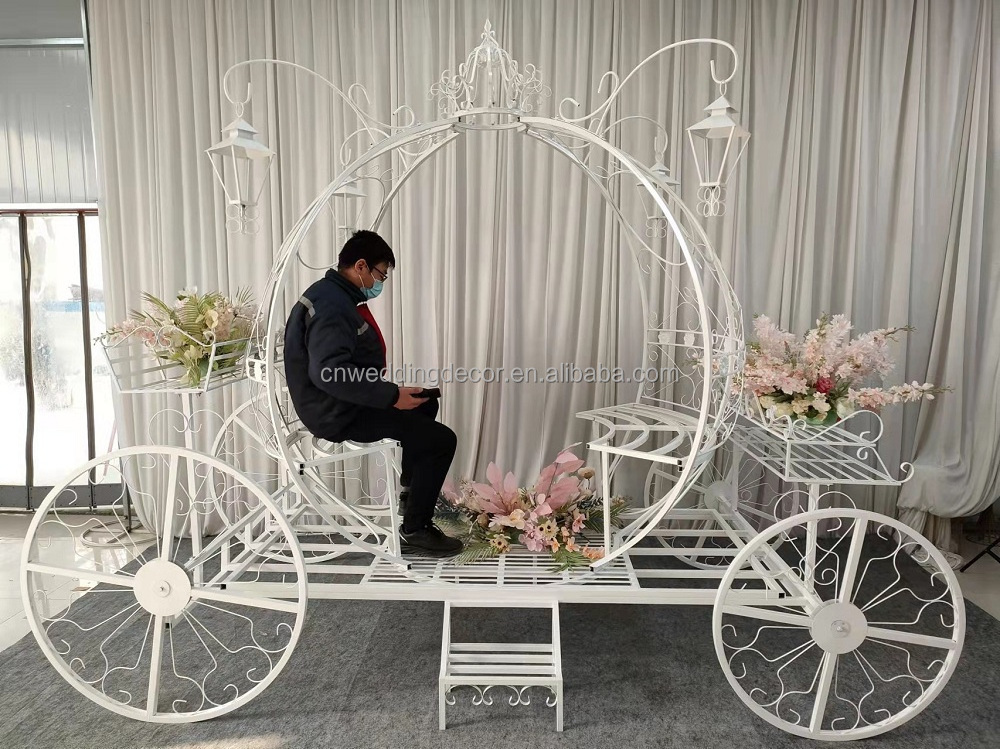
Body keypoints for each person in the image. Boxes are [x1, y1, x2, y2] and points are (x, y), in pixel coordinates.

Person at [283, 230, 463, 557]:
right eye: (380, 274)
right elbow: (329, 373)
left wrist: (394, 393)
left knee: (425, 403)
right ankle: (416, 529)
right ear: (361, 266)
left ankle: (412, 500)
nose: (380, 282)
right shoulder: (332, 305)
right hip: (336, 412)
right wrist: (391, 396)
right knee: (442, 440)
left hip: (342, 401)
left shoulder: (333, 296)